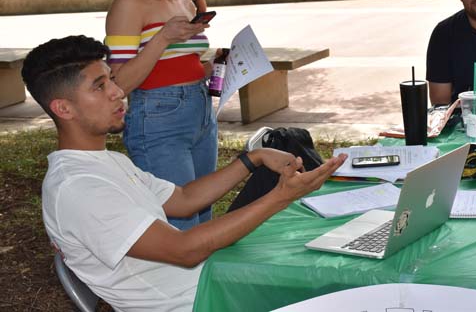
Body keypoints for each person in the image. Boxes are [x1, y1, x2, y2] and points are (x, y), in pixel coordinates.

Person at [24, 35, 346, 312]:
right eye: (99, 86)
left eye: (111, 78)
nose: (118, 92)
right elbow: (185, 250)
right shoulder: (79, 188)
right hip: (199, 302)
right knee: (343, 284)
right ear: (63, 108)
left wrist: (254, 158)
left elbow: (184, 199)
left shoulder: (104, 162)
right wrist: (280, 197)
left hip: (216, 283)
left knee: (334, 262)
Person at [105, 0, 217, 230]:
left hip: (201, 113)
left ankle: (204, 280)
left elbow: (179, 65)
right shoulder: (129, 4)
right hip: (158, 119)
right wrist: (164, 36)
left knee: (203, 214)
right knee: (178, 222)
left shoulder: (185, 2)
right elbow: (120, 83)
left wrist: (216, 67)